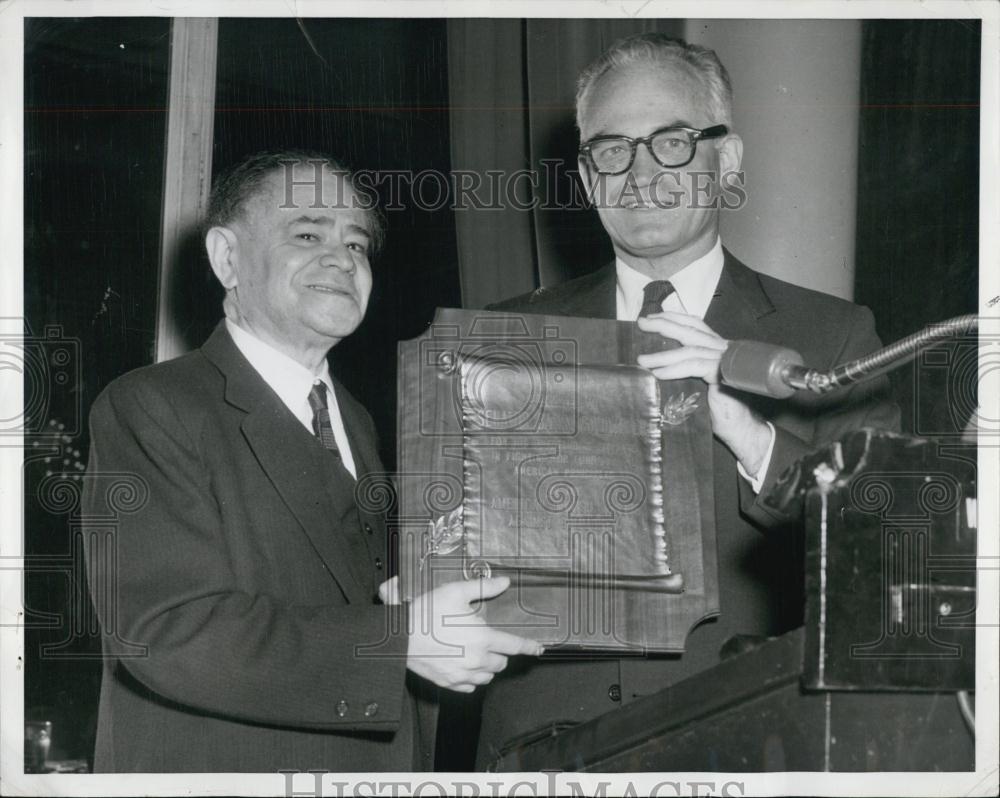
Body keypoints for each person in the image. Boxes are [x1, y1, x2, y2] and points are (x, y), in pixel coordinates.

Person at [475, 34, 900, 769]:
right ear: (585, 176)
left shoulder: (832, 336)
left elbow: (885, 545)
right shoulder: (505, 337)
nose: (640, 174)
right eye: (611, 151)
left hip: (745, 738)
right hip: (536, 754)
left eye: (670, 142)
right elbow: (456, 555)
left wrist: (744, 428)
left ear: (726, 160)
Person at [82, 150, 542, 773]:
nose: (342, 259)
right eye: (307, 234)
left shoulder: (359, 420)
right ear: (227, 258)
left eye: (357, 245)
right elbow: (167, 630)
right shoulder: (152, 406)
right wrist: (398, 638)